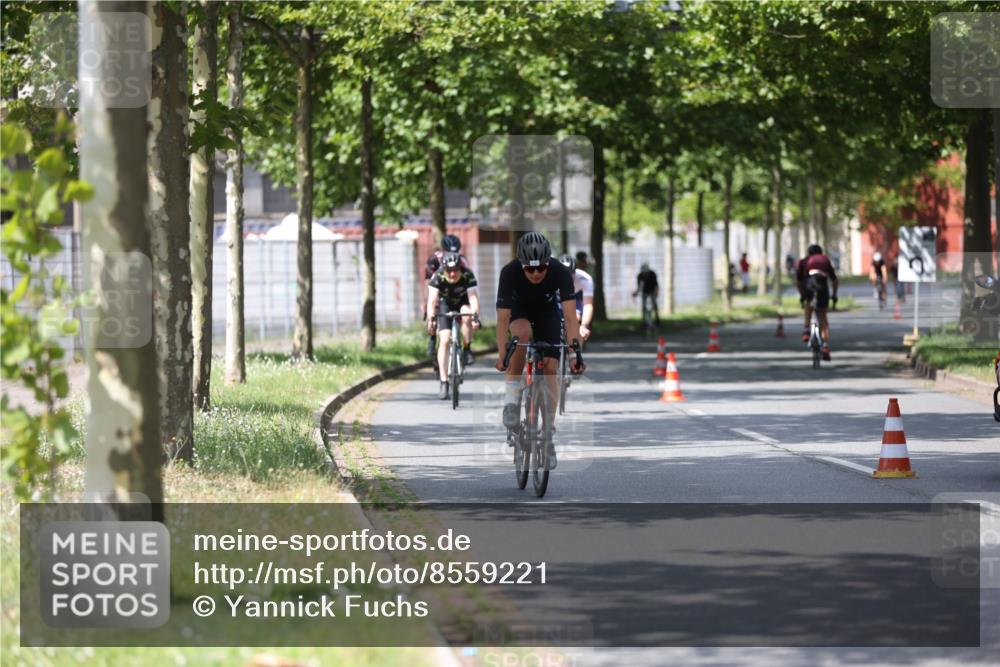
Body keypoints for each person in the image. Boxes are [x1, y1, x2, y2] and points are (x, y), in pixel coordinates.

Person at [496, 233, 584, 468]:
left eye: (541, 268)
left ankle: (547, 435)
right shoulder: (509, 272)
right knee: (522, 333)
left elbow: (570, 318)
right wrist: (501, 354)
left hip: (547, 312)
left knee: (551, 367)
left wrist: (574, 354)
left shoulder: (560, 272)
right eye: (529, 269)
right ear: (521, 265)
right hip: (519, 310)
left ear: (548, 263)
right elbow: (502, 320)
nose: (536, 273)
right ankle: (511, 400)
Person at [427, 252, 480, 400]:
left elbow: (473, 298)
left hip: (463, 303)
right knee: (444, 340)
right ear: (444, 269)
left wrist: (475, 317)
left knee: (467, 315)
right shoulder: (437, 276)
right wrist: (431, 319)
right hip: (444, 304)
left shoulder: (467, 275)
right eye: (449, 270)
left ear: (460, 268)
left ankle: (467, 348)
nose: (452, 274)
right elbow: (432, 301)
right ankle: (444, 382)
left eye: (455, 270)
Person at [424, 234, 469, 364]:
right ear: (443, 250)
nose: (453, 255)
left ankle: (463, 344)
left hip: (456, 291)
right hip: (438, 289)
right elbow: (428, 282)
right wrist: (427, 301)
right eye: (450, 252)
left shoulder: (462, 260)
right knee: (433, 308)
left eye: (456, 252)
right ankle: (432, 338)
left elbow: (466, 280)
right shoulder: (434, 259)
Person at [796, 244, 839, 361]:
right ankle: (825, 346)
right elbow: (834, 280)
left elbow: (799, 282)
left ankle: (806, 330)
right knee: (823, 317)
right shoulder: (825, 259)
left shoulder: (804, 261)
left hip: (809, 284)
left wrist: (802, 296)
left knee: (809, 304)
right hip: (822, 285)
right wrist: (834, 295)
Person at [558, 254, 594, 343]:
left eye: (569, 275)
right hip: (557, 297)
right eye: (563, 275)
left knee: (576, 318)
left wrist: (584, 325)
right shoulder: (549, 277)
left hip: (573, 297)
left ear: (575, 272)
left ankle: (572, 348)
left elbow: (588, 305)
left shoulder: (585, 279)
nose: (566, 279)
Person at [633, 262, 660, 326]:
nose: (645, 274)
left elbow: (656, 285)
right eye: (644, 273)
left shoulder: (652, 274)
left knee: (654, 305)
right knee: (644, 306)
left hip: (652, 291)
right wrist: (636, 293)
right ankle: (644, 321)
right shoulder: (640, 276)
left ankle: (657, 319)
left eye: (646, 273)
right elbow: (639, 287)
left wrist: (656, 293)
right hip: (645, 292)